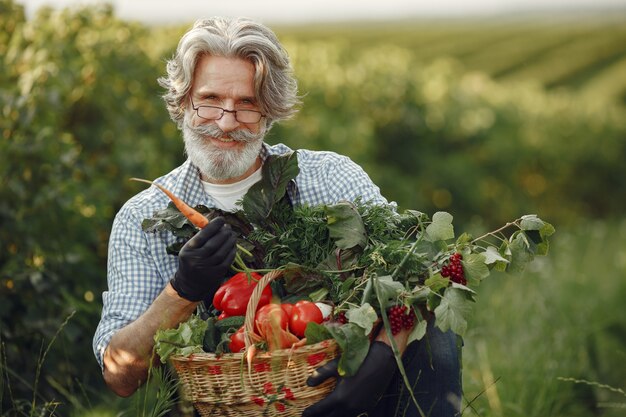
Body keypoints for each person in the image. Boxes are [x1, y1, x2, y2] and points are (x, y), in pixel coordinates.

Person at [93, 16, 462, 417]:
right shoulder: (142, 217)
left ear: (269, 113)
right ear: (183, 104)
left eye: (247, 104)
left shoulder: (330, 178)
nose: (227, 121)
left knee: (435, 335)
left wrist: (379, 362)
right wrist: (180, 292)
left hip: (343, 394)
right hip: (223, 405)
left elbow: (421, 274)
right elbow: (120, 377)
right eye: (210, 99)